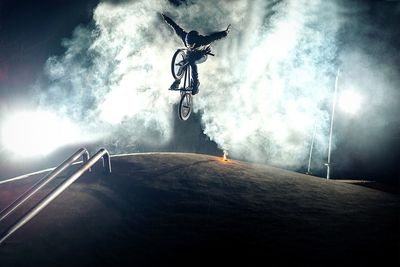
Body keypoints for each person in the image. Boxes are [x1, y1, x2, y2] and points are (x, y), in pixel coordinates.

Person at [162, 13, 230, 95]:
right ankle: (177, 82)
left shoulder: (204, 40)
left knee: (192, 62)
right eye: (188, 44)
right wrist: (166, 18)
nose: (190, 46)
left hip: (202, 55)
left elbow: (215, 36)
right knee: (185, 62)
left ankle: (196, 84)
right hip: (191, 55)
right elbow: (175, 26)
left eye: (191, 45)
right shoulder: (184, 36)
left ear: (196, 41)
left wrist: (225, 32)